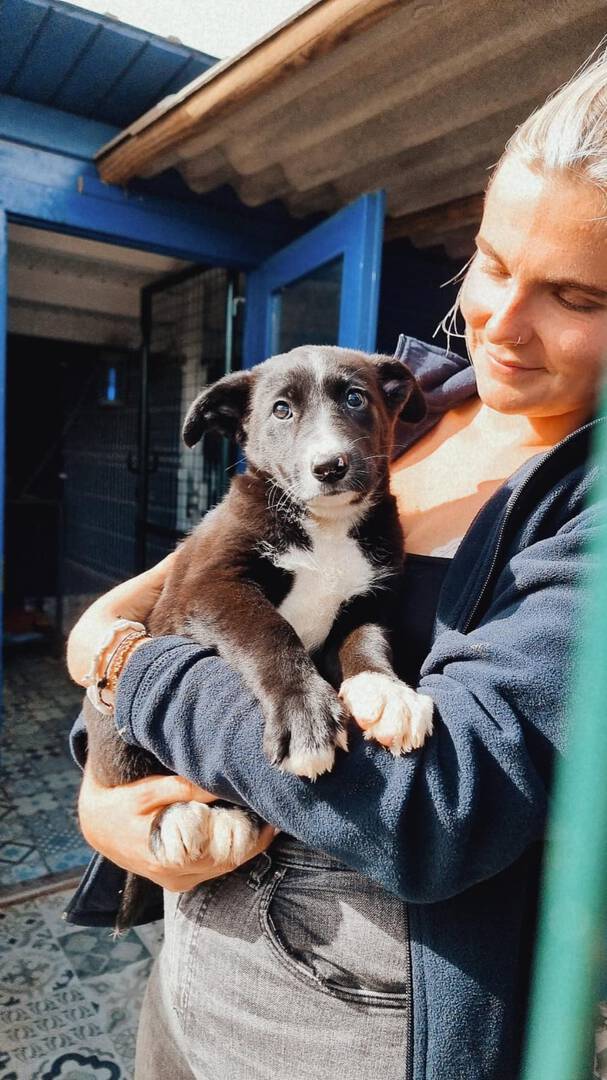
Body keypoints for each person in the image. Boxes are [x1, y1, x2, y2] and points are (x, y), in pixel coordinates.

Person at [67, 47, 607, 1080]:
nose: (499, 324)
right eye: (493, 262)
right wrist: (104, 788)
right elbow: (170, 600)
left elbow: (435, 813)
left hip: (359, 1022)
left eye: (574, 296)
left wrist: (126, 673)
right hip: (193, 966)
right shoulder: (409, 409)